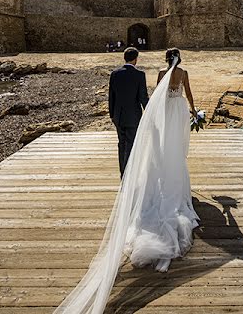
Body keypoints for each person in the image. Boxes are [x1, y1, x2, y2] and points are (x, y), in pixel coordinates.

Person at [54, 48, 199, 313]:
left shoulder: (151, 73)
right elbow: (160, 97)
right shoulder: (178, 73)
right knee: (168, 147)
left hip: (130, 116)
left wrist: (124, 116)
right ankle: (134, 171)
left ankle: (126, 173)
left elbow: (151, 97)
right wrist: (191, 112)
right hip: (173, 112)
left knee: (123, 146)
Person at [108, 47, 149, 176]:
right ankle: (129, 174)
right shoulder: (140, 75)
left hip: (118, 116)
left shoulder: (115, 74)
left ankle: (123, 172)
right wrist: (149, 112)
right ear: (136, 59)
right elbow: (143, 97)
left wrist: (112, 115)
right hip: (134, 116)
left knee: (121, 144)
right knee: (131, 144)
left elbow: (111, 96)